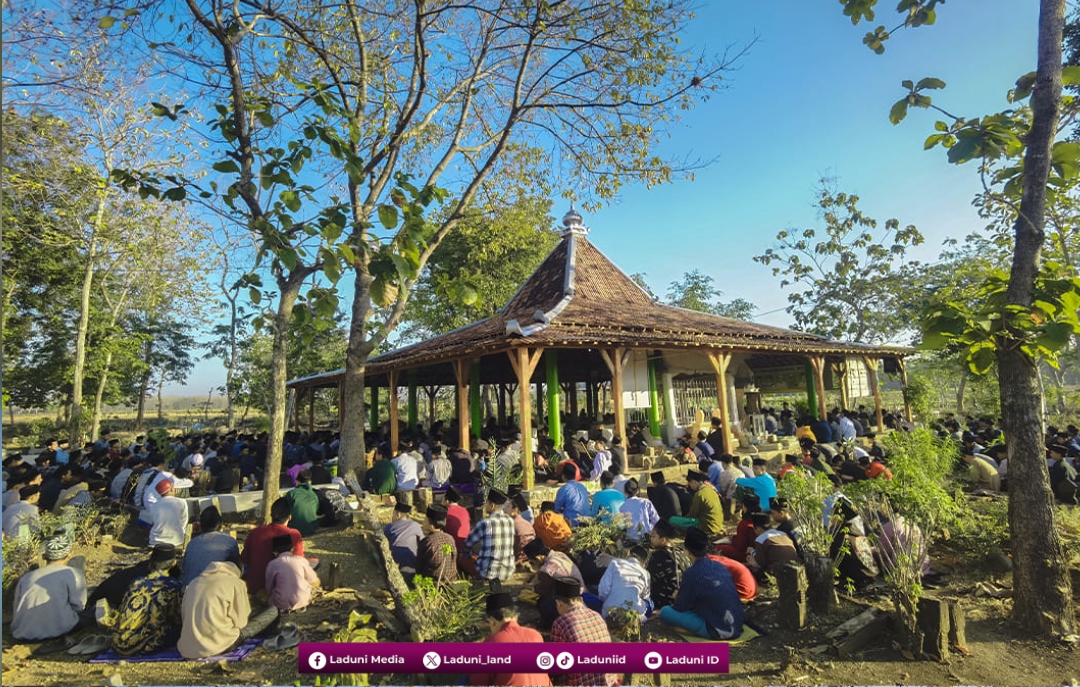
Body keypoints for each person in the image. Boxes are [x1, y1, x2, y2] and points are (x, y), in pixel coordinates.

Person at [178, 553, 279, 659]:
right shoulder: (236, 583)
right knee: (273, 611)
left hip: (187, 649)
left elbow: (184, 616)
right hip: (219, 646)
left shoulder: (194, 583)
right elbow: (241, 623)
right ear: (240, 570)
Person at [658, 527, 743, 640]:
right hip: (736, 624)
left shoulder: (692, 573)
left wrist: (677, 595)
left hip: (718, 629)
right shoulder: (719, 566)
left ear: (687, 552)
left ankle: (693, 631)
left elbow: (680, 607)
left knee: (665, 612)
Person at [11, 535, 88, 641]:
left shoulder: (27, 577)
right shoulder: (74, 574)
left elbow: (17, 608)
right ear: (70, 554)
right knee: (92, 613)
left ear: (45, 556)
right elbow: (79, 606)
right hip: (58, 631)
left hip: (23, 633)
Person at [111, 545, 184, 656]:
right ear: (173, 563)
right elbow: (176, 619)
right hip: (136, 647)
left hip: (117, 643)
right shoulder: (173, 585)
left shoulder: (136, 582)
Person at [471, 593, 552, 687]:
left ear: (492, 621)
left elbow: (478, 681)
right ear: (515, 617)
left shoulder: (492, 643)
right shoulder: (535, 635)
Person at [550, 577, 617, 687]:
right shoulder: (597, 616)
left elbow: (556, 667)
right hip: (608, 683)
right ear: (580, 600)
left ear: (559, 603)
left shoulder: (561, 623)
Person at [241, 497, 306, 594]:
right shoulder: (293, 534)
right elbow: (298, 562)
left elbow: (244, 559)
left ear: (271, 515)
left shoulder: (255, 533)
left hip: (255, 587)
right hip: (282, 590)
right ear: (289, 517)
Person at [461, 488, 516, 587]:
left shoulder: (486, 523)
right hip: (507, 571)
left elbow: (468, 543)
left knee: (462, 559)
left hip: (488, 572)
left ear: (492, 506)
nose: (484, 505)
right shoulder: (510, 521)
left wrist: (467, 554)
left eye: (486, 503)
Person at [182, 505, 240, 586]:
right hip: (218, 589)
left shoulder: (192, 544)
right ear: (220, 524)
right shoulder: (230, 542)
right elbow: (237, 567)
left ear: (201, 525)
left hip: (189, 591)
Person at [265, 534, 321, 612]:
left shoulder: (272, 564)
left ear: (274, 552)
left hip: (279, 604)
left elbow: (269, 588)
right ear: (292, 549)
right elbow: (313, 580)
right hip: (303, 601)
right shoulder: (301, 560)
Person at [597, 546, 652, 622]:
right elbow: (645, 596)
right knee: (650, 602)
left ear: (628, 553)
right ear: (644, 562)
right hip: (634, 616)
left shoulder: (615, 563)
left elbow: (603, 591)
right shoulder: (646, 573)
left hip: (610, 613)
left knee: (587, 597)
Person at [646, 519, 690, 610]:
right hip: (684, 598)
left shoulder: (658, 556)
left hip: (666, 601)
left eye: (653, 536)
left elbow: (649, 579)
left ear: (663, 540)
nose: (651, 539)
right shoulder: (681, 552)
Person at [745, 512, 801, 581]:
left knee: (751, 569)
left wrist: (752, 552)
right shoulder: (783, 533)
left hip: (778, 574)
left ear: (758, 528)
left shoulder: (760, 539)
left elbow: (760, 563)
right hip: (796, 570)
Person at [670, 470, 723, 536]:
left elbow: (692, 515)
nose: (690, 486)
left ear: (694, 482)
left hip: (707, 527)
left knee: (672, 520)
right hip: (718, 524)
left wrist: (682, 519)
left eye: (690, 484)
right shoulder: (711, 490)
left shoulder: (699, 495)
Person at [417, 504, 458, 583]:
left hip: (433, 584)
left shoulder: (427, 542)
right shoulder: (450, 538)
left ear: (432, 525)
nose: (423, 522)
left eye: (425, 520)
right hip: (450, 581)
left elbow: (419, 568)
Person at [385, 502, 423, 584]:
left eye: (393, 514)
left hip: (397, 560)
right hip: (414, 560)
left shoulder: (389, 527)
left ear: (397, 515)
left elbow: (385, 543)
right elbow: (422, 542)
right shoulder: (415, 525)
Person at [717, 495, 760, 562]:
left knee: (719, 547)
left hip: (747, 553)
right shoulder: (761, 519)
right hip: (759, 551)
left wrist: (733, 539)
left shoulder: (744, 523)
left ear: (744, 507)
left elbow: (740, 547)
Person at [149, 479, 189, 548]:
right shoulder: (181, 502)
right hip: (176, 541)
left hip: (155, 541)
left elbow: (153, 522)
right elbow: (184, 522)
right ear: (171, 490)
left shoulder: (154, 505)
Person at [286, 469, 321, 536]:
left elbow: (286, 512)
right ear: (310, 482)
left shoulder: (291, 494)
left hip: (294, 530)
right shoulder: (314, 495)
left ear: (297, 481)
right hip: (312, 529)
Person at [505, 493, 538, 563]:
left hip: (518, 562)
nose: (504, 509)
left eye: (507, 506)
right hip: (532, 559)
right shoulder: (528, 524)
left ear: (515, 510)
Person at [442, 485, 471, 551]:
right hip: (465, 547)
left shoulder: (445, 513)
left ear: (447, 501)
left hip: (451, 549)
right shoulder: (465, 511)